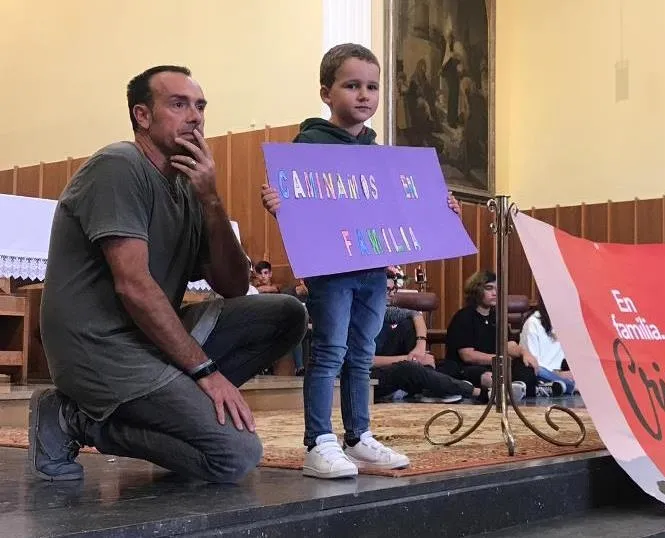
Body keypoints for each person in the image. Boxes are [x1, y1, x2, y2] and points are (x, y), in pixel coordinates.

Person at [30, 65, 308, 483]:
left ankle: (178, 411)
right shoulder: (118, 167)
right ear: (142, 116)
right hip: (99, 349)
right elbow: (134, 286)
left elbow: (234, 286)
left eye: (200, 107)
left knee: (287, 313)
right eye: (179, 105)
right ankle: (74, 418)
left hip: (148, 339)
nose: (195, 116)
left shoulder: (187, 184)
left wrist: (212, 201)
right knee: (235, 456)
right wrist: (206, 373)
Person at [259, 44, 462, 480]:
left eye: (371, 86)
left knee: (362, 352)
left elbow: (397, 207)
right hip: (331, 271)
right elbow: (301, 203)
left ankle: (358, 436)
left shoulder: (379, 154)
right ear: (326, 92)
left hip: (372, 270)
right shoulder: (309, 144)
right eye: (352, 85)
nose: (364, 95)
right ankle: (319, 442)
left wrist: (439, 208)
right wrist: (280, 204)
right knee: (329, 351)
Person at [373, 268, 480, 403]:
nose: (391, 294)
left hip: (394, 363)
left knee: (408, 324)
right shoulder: (357, 316)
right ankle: (477, 392)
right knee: (408, 369)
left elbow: (415, 314)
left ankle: (428, 387)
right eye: (387, 290)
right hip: (367, 377)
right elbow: (365, 360)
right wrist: (410, 359)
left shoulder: (383, 310)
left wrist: (420, 346)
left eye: (393, 289)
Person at [440, 271, 535, 400]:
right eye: (489, 288)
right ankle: (512, 389)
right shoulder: (464, 317)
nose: (495, 293)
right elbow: (467, 355)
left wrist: (524, 353)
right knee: (486, 375)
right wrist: (499, 360)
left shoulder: (497, 317)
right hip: (465, 367)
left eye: (497, 289)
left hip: (495, 364)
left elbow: (508, 344)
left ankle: (517, 388)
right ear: (477, 290)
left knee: (525, 368)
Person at [519, 297, 575, 396]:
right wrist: (558, 375)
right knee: (572, 384)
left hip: (560, 375)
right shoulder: (533, 323)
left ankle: (557, 386)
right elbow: (534, 365)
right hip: (539, 372)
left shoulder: (568, 322)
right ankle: (568, 386)